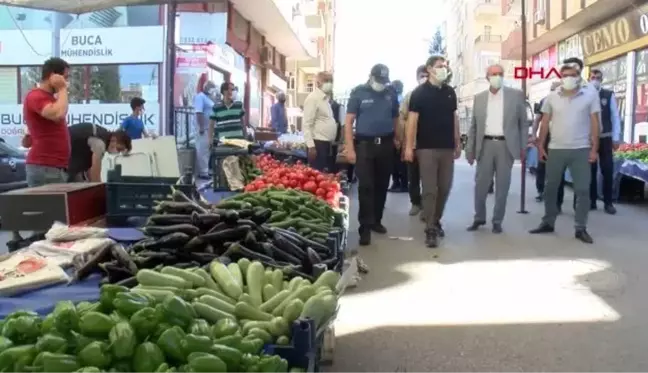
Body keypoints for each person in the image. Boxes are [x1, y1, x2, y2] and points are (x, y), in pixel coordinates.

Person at [529, 61, 601, 244]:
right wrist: (540, 146)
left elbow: (594, 122)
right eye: (565, 75)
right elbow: (545, 122)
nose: (569, 78)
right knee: (550, 187)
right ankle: (548, 222)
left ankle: (580, 228)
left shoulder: (590, 95)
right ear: (561, 77)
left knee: (583, 189)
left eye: (573, 75)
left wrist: (595, 149)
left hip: (581, 149)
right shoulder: (552, 97)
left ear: (579, 77)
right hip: (556, 149)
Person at [11, 57, 70, 249]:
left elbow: (45, 124)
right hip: (45, 167)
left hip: (52, 166)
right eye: (64, 77)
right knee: (49, 228)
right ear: (54, 76)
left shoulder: (47, 99)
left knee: (53, 227)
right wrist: (62, 90)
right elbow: (56, 114)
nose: (66, 82)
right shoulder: (36, 96)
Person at [404, 55, 461, 248]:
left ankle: (436, 219)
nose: (443, 68)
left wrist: (457, 141)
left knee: (444, 187)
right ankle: (430, 228)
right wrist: (409, 147)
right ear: (429, 69)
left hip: (446, 147)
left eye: (445, 65)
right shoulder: (419, 93)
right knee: (429, 190)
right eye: (439, 66)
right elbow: (412, 122)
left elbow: (454, 119)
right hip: (425, 148)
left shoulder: (449, 92)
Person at [465, 64, 527, 234]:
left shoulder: (515, 96)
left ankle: (497, 220)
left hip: (505, 145)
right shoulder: (479, 98)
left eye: (500, 73)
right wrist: (469, 150)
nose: (497, 77)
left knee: (503, 186)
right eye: (493, 74)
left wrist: (523, 148)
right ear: (487, 77)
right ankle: (479, 217)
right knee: (480, 185)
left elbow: (523, 124)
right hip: (484, 145)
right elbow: (474, 127)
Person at [344, 64, 400, 246]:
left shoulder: (391, 94)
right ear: (370, 77)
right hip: (364, 145)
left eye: (384, 81)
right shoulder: (358, 93)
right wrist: (350, 148)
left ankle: (376, 221)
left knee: (382, 184)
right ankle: (365, 227)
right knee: (366, 186)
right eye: (378, 80)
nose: (381, 84)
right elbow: (349, 121)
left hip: (385, 144)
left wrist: (398, 138)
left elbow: (395, 118)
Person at [588, 69, 620, 215]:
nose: (595, 79)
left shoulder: (608, 94)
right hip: (589, 139)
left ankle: (608, 202)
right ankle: (592, 201)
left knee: (607, 170)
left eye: (598, 78)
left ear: (602, 80)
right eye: (593, 77)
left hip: (606, 138)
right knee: (590, 171)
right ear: (589, 78)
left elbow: (615, 116)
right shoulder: (585, 94)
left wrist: (616, 137)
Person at [532, 81, 566, 208]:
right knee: (542, 166)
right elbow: (537, 120)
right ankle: (541, 191)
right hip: (546, 137)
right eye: (555, 89)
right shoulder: (544, 101)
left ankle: (558, 202)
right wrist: (534, 134)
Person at [399, 65, 427, 217]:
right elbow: (402, 117)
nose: (424, 78)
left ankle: (428, 206)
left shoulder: (434, 96)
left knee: (429, 178)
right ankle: (415, 203)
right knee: (413, 176)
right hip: (413, 143)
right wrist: (405, 140)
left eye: (427, 75)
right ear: (417, 78)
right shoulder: (410, 96)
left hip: (430, 144)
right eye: (422, 75)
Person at [67, 123, 132, 182]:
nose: (117, 152)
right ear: (114, 139)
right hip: (61, 159)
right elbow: (95, 171)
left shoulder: (101, 136)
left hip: (71, 164)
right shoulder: (100, 143)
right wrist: (100, 190)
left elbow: (89, 171)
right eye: (119, 149)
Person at [303, 72, 337, 172]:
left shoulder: (325, 100)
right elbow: (307, 124)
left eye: (331, 81)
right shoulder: (313, 98)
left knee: (323, 176)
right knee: (316, 176)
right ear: (318, 83)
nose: (329, 83)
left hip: (326, 144)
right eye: (326, 81)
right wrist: (311, 146)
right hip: (317, 144)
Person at [193, 80, 216, 179]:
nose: (212, 89)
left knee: (208, 150)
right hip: (203, 128)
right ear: (206, 87)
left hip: (209, 128)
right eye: (211, 86)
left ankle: (206, 170)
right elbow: (199, 112)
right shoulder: (200, 97)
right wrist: (201, 127)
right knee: (202, 149)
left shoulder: (209, 98)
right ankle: (203, 172)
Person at [389, 80, 407, 192]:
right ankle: (399, 183)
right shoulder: (400, 99)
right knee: (398, 162)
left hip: (398, 133)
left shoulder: (398, 100)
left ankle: (400, 184)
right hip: (398, 133)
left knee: (399, 162)